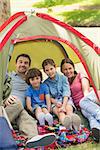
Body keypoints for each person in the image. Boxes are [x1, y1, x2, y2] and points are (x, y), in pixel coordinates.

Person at [3, 54, 56, 148]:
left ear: (29, 66)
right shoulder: (9, 75)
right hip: (7, 105)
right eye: (20, 62)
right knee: (18, 103)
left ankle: (33, 138)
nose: (23, 64)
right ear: (16, 64)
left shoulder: (32, 80)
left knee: (28, 119)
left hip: (20, 110)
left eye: (26, 63)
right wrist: (6, 98)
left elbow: (44, 91)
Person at [60, 58, 100, 142]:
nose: (68, 71)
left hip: (89, 98)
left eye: (70, 68)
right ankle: (97, 131)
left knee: (83, 102)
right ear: (62, 71)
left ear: (73, 68)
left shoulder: (80, 75)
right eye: (65, 69)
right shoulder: (64, 82)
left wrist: (85, 102)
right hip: (82, 107)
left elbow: (86, 91)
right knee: (90, 116)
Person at [42, 58, 81, 131]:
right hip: (55, 102)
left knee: (68, 109)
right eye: (47, 70)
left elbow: (66, 92)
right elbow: (48, 96)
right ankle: (66, 124)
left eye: (51, 69)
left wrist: (63, 105)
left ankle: (74, 122)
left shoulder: (63, 78)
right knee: (60, 112)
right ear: (44, 71)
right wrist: (55, 102)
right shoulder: (45, 83)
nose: (50, 72)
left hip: (66, 99)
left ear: (55, 67)